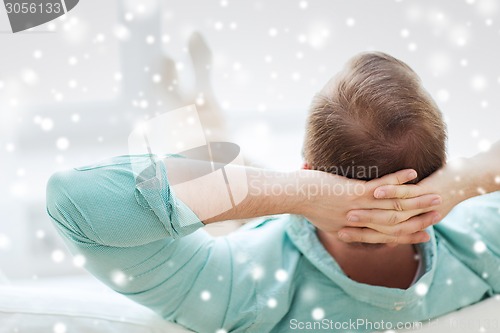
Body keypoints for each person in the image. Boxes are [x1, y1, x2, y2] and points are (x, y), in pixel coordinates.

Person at [46, 50, 500, 333]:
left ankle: (203, 128)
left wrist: (296, 193)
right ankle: (206, 125)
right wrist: (465, 180)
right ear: (438, 167)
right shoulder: (483, 245)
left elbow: (74, 203)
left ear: (306, 168)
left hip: (260, 243)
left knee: (235, 196)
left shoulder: (244, 291)